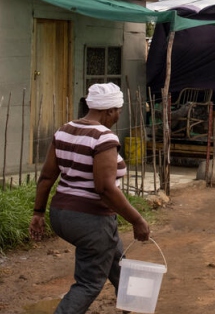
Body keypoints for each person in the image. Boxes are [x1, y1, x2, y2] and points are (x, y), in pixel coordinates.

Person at [29, 82, 151, 314]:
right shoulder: (104, 138)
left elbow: (46, 177)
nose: (118, 117)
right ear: (109, 111)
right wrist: (137, 220)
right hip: (91, 220)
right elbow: (105, 188)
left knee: (117, 262)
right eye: (118, 112)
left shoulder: (65, 130)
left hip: (61, 215)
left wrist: (38, 213)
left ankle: (134, 307)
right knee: (89, 283)